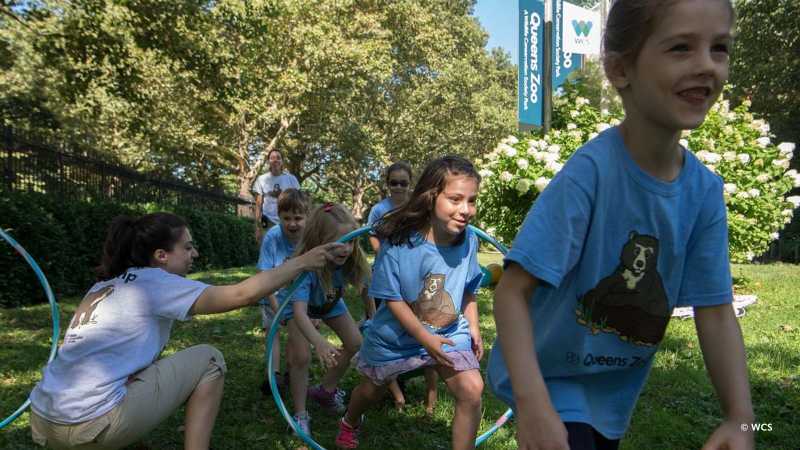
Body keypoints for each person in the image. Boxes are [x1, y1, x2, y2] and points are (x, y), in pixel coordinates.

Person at [487, 1, 754, 449]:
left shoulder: (704, 192)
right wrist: (533, 404)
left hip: (612, 396)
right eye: (681, 47)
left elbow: (715, 312)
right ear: (620, 69)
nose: (707, 65)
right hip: (550, 380)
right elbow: (512, 293)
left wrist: (743, 420)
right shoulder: (590, 173)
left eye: (720, 47)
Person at [28, 212, 343, 450]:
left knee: (141, 371)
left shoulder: (102, 286)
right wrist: (301, 263)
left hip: (44, 422)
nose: (195, 254)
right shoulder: (155, 282)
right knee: (209, 359)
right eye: (188, 247)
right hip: (89, 427)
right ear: (161, 256)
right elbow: (241, 294)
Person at [335, 156, 485, 450]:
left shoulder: (468, 242)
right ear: (431, 196)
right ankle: (350, 421)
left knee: (472, 390)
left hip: (447, 331)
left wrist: (474, 327)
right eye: (455, 199)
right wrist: (424, 338)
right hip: (396, 337)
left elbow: (468, 289)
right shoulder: (399, 243)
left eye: (472, 200)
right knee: (370, 392)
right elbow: (392, 299)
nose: (465, 210)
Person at [283, 202, 375, 438]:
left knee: (355, 342)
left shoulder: (351, 258)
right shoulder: (307, 268)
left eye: (351, 241)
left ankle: (325, 391)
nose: (346, 249)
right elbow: (301, 313)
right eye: (339, 242)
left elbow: (366, 287)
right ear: (319, 242)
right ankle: (301, 414)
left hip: (329, 303)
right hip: (297, 308)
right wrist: (319, 342)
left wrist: (371, 315)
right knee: (300, 357)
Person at [367, 162, 437, 412]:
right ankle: (395, 388)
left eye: (403, 182)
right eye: (393, 182)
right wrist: (384, 254)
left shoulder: (415, 207)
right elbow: (372, 234)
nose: (398, 187)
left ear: (411, 184)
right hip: (386, 273)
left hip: (413, 273)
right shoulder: (379, 209)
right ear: (387, 184)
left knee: (422, 324)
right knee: (388, 328)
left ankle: (429, 397)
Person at [257, 188, 310, 396]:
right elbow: (264, 273)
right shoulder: (273, 236)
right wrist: (275, 307)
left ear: (307, 216)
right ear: (278, 216)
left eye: (298, 218)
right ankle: (274, 375)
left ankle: (291, 370)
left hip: (298, 297)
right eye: (286, 218)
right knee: (273, 332)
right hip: (273, 294)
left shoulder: (309, 238)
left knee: (295, 335)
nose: (292, 224)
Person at [253, 149, 300, 243]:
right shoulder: (261, 179)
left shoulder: (291, 179)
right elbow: (258, 204)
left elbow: (299, 202)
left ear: (282, 161)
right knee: (266, 250)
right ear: (268, 161)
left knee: (286, 252)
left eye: (278, 158)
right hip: (266, 220)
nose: (275, 160)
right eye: (272, 158)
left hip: (287, 221)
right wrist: (257, 227)